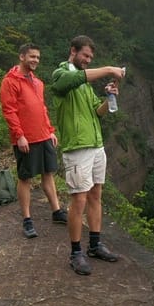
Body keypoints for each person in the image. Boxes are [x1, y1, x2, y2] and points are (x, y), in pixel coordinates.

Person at [49, 35, 126, 275]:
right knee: (79, 199)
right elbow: (69, 81)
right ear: (73, 51)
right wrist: (107, 70)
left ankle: (94, 244)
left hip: (95, 145)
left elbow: (99, 111)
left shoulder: (84, 84)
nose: (88, 60)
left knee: (95, 195)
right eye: (85, 56)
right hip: (77, 148)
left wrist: (109, 96)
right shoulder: (61, 74)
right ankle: (75, 253)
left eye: (91, 58)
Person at [0, 42, 68, 238]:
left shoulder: (37, 82)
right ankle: (27, 220)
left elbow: (42, 108)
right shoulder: (10, 81)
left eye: (38, 57)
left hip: (44, 136)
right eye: (32, 57)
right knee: (26, 178)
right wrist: (19, 135)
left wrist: (50, 130)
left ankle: (56, 211)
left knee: (48, 173)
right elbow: (9, 110)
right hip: (25, 139)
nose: (35, 60)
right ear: (22, 57)